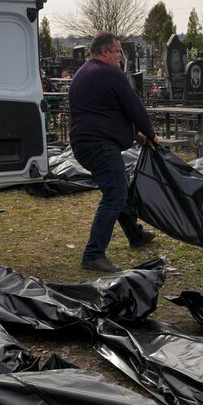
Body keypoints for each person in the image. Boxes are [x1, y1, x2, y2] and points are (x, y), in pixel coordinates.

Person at [69, 32, 159, 273]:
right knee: (115, 195)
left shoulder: (85, 72)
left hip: (87, 144)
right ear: (105, 51)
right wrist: (150, 134)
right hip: (99, 145)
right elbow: (134, 107)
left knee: (119, 190)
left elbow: (105, 111)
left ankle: (135, 235)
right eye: (117, 51)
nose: (120, 57)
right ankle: (93, 254)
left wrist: (135, 135)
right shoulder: (110, 73)